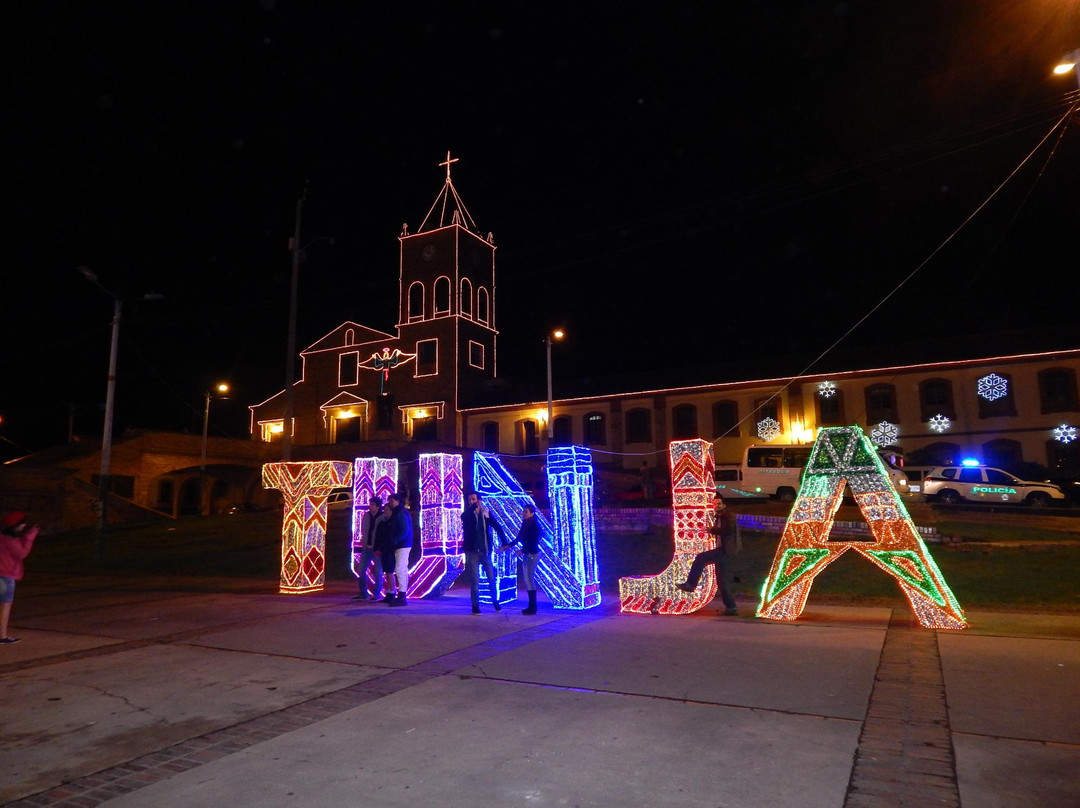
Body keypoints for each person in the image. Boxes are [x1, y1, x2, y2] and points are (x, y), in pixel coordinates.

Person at [676, 494, 739, 615]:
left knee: (701, 558)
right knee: (722, 580)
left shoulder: (728, 516)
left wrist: (712, 530)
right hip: (724, 550)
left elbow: (727, 530)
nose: (716, 506)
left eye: (719, 504)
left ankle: (690, 584)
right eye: (714, 504)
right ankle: (731, 608)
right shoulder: (719, 517)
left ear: (724, 505)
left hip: (725, 550)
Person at [461, 491, 507, 614]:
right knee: (474, 580)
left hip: (485, 551)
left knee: (491, 577)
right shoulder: (468, 514)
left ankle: (495, 601)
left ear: (479, 500)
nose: (471, 501)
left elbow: (497, 526)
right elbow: (463, 517)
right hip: (472, 552)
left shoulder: (485, 513)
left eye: (473, 499)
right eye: (469, 499)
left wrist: (504, 542)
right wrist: (472, 509)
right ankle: (475, 605)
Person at [0, 511, 39, 644]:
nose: (23, 527)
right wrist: (30, 536)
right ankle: (2, 636)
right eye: (22, 525)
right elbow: (22, 553)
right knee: (5, 606)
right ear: (15, 526)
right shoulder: (10, 541)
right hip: (6, 576)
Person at [504, 504, 541, 614]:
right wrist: (509, 545)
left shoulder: (534, 526)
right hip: (527, 554)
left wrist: (523, 550)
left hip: (532, 554)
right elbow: (519, 537)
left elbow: (533, 542)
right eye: (523, 511)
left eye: (526, 512)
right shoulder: (525, 524)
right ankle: (531, 606)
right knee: (528, 580)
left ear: (532, 513)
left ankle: (533, 607)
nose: (523, 513)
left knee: (529, 579)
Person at [352, 497, 388, 602]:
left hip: (376, 548)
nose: (370, 506)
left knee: (378, 571)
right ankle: (363, 593)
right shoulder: (366, 516)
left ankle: (376, 594)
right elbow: (364, 530)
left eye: (372, 504)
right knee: (361, 570)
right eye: (370, 504)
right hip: (366, 548)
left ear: (378, 506)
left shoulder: (382, 517)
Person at [385, 493, 412, 606]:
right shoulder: (399, 512)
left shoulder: (400, 512)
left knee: (400, 568)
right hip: (402, 543)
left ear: (397, 501)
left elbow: (404, 529)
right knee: (401, 568)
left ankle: (402, 595)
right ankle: (401, 593)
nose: (390, 503)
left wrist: (395, 540)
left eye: (391, 501)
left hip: (402, 544)